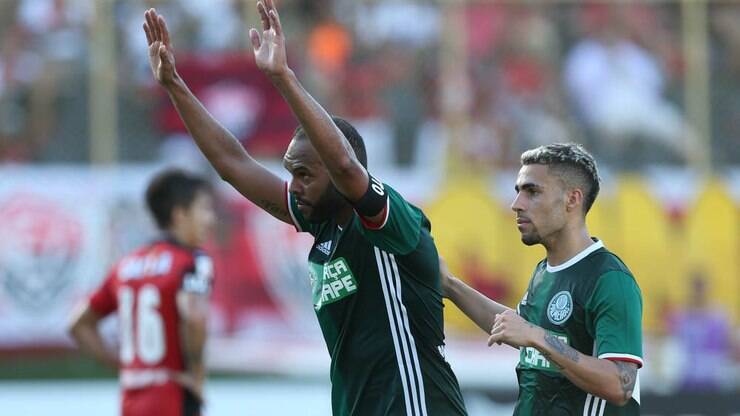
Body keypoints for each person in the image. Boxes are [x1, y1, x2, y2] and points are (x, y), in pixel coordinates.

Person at [142, 2, 467, 415]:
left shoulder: (392, 222)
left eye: (304, 174)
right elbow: (233, 165)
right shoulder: (325, 226)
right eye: (290, 173)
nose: (293, 186)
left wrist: (283, 77)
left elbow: (347, 165)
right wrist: (175, 86)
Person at [442, 143, 643, 415]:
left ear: (572, 199)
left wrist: (538, 337)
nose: (516, 205)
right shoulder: (544, 271)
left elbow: (621, 385)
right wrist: (450, 286)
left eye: (532, 192)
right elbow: (515, 327)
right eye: (518, 192)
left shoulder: (609, 278)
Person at [68, 169, 216, 416]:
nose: (210, 219)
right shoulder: (193, 262)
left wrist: (125, 365)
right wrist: (197, 377)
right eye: (204, 209)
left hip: (131, 398)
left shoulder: (125, 266)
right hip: (173, 395)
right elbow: (194, 317)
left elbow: (78, 325)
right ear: (179, 215)